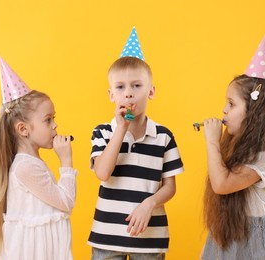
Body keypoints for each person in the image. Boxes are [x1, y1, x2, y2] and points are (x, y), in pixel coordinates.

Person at [88, 27, 184, 260]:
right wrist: (120, 129)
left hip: (150, 238)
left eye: (136, 86)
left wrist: (149, 204)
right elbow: (102, 172)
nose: (128, 93)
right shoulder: (103, 131)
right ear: (111, 95)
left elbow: (169, 187)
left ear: (151, 92)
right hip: (107, 237)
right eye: (120, 87)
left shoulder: (164, 136)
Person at [200, 37, 265, 260]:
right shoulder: (234, 147)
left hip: (253, 243)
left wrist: (212, 142)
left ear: (254, 113)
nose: (224, 110)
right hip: (228, 233)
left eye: (231, 104)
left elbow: (221, 184)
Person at [0, 57, 77, 260]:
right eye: (48, 120)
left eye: (54, 118)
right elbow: (66, 201)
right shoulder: (25, 167)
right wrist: (66, 162)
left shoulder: (29, 163)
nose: (55, 126)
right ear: (23, 129)